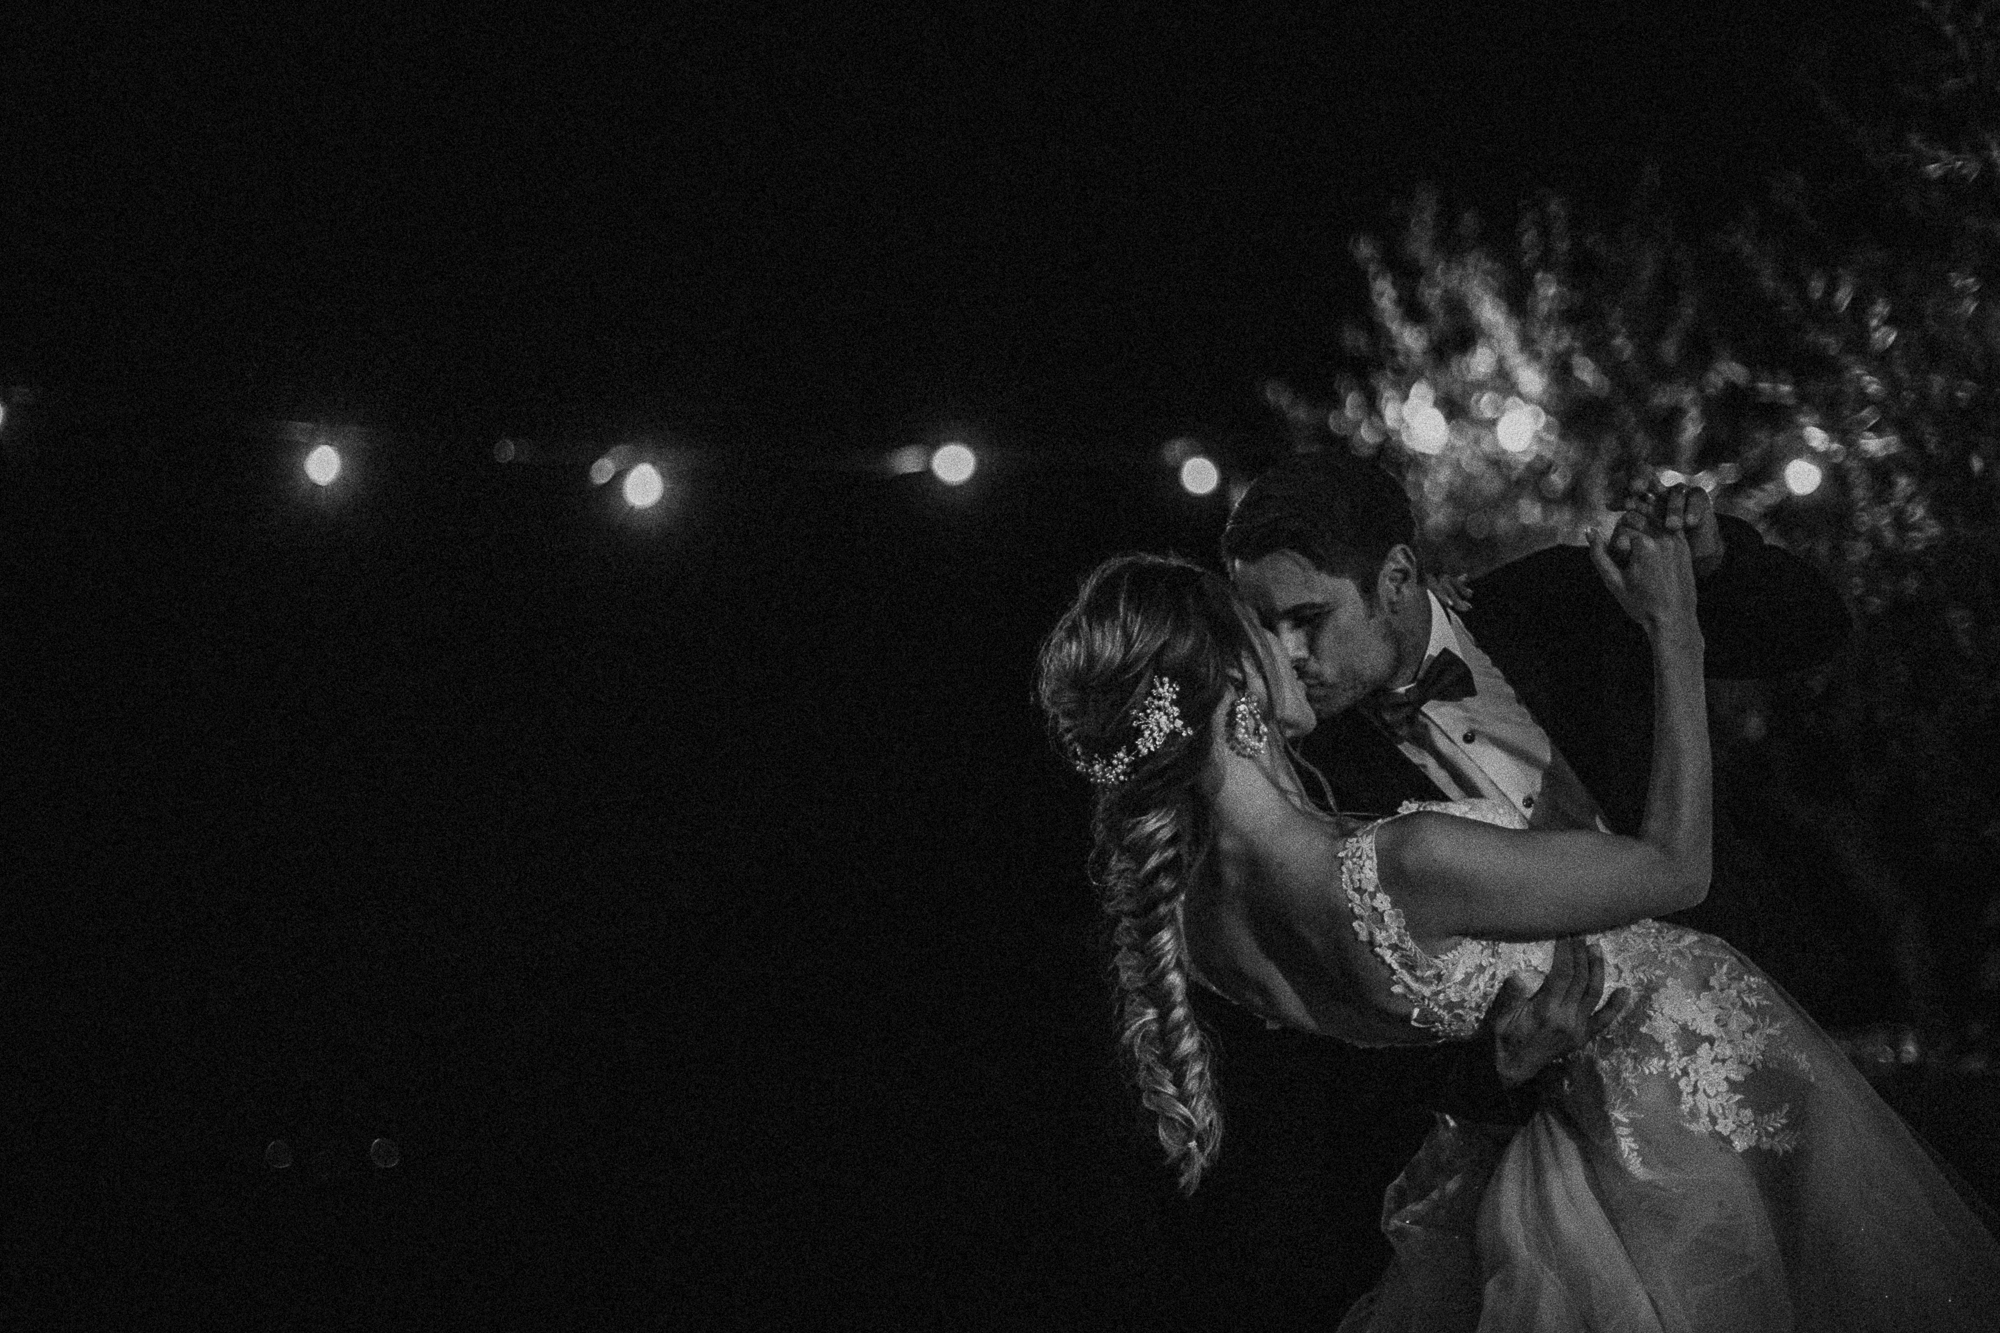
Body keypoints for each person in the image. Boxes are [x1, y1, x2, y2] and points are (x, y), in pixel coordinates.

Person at [1036, 535, 2000, 1328]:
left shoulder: (1204, 936)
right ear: (1231, 681)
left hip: (1543, 1167)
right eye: (1262, 632)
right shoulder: (1401, 862)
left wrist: (1501, 1072)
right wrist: (1675, 631)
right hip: (1683, 1113)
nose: (1292, 651)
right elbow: (1676, 868)